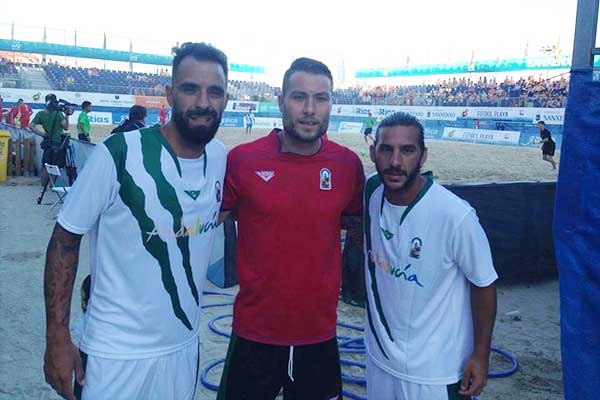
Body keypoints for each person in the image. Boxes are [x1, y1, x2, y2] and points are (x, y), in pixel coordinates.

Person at [42, 42, 230, 400]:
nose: (204, 102)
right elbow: (65, 239)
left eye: (215, 91)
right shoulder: (118, 154)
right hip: (114, 356)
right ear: (169, 94)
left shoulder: (220, 157)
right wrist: (57, 339)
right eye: (191, 89)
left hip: (183, 350)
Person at [216, 58, 364, 400]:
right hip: (254, 333)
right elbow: (201, 224)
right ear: (281, 102)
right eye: (299, 97)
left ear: (331, 103)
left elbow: (360, 232)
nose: (310, 109)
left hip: (319, 335)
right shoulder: (242, 160)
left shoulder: (347, 166)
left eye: (321, 98)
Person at [364, 111, 498, 400]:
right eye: (387, 150)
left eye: (407, 150)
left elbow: (484, 284)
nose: (396, 161)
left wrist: (481, 355)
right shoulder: (371, 191)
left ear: (423, 156)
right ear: (373, 152)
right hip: (380, 362)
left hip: (437, 374)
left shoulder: (455, 215)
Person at [29, 93, 71, 193]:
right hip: (59, 143)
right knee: (57, 166)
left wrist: (42, 134)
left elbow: (31, 126)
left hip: (48, 142)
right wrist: (67, 116)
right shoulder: (58, 113)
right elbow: (65, 127)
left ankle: (43, 187)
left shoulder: (41, 114)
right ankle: (52, 186)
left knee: (46, 166)